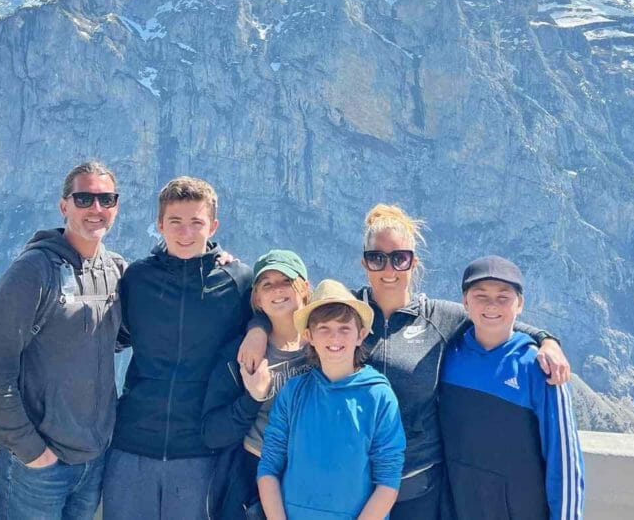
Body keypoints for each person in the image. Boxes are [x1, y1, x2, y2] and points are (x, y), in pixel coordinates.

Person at [240, 204, 571, 519]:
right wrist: (258, 328)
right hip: (346, 489)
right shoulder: (343, 312)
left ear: (413, 263)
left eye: (399, 258)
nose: (388, 269)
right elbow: (289, 309)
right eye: (377, 258)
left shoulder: (439, 318)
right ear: (364, 263)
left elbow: (492, 316)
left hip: (417, 484)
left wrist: (545, 339)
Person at [0, 159, 126, 520]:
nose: (96, 209)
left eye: (106, 199)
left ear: (116, 207)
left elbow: (133, 328)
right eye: (84, 199)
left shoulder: (117, 271)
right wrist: (33, 453)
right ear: (64, 206)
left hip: (93, 462)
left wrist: (215, 258)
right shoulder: (33, 271)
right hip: (38, 467)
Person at [102, 176, 254, 520]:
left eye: (196, 223)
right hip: (132, 445)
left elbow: (280, 315)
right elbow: (108, 335)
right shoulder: (137, 279)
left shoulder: (238, 281)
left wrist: (258, 329)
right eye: (175, 222)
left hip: (200, 452)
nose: (186, 233)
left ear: (212, 225)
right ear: (160, 225)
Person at [439, 256, 584, 519]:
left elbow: (563, 458)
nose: (491, 305)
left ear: (520, 305)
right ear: (465, 302)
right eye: (480, 296)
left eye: (503, 297)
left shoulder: (539, 367)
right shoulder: (446, 355)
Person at [257, 280, 406, 520]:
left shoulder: (378, 396)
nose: (334, 337)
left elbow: (388, 480)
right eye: (323, 328)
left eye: (344, 328)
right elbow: (268, 467)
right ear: (309, 336)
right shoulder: (293, 392)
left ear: (361, 335)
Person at [202, 250, 314, 519]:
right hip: (253, 476)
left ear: (305, 288)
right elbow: (212, 433)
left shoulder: (326, 344)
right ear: (257, 298)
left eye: (286, 280)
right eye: (266, 284)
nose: (277, 289)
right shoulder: (239, 356)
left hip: (313, 474)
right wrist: (252, 398)